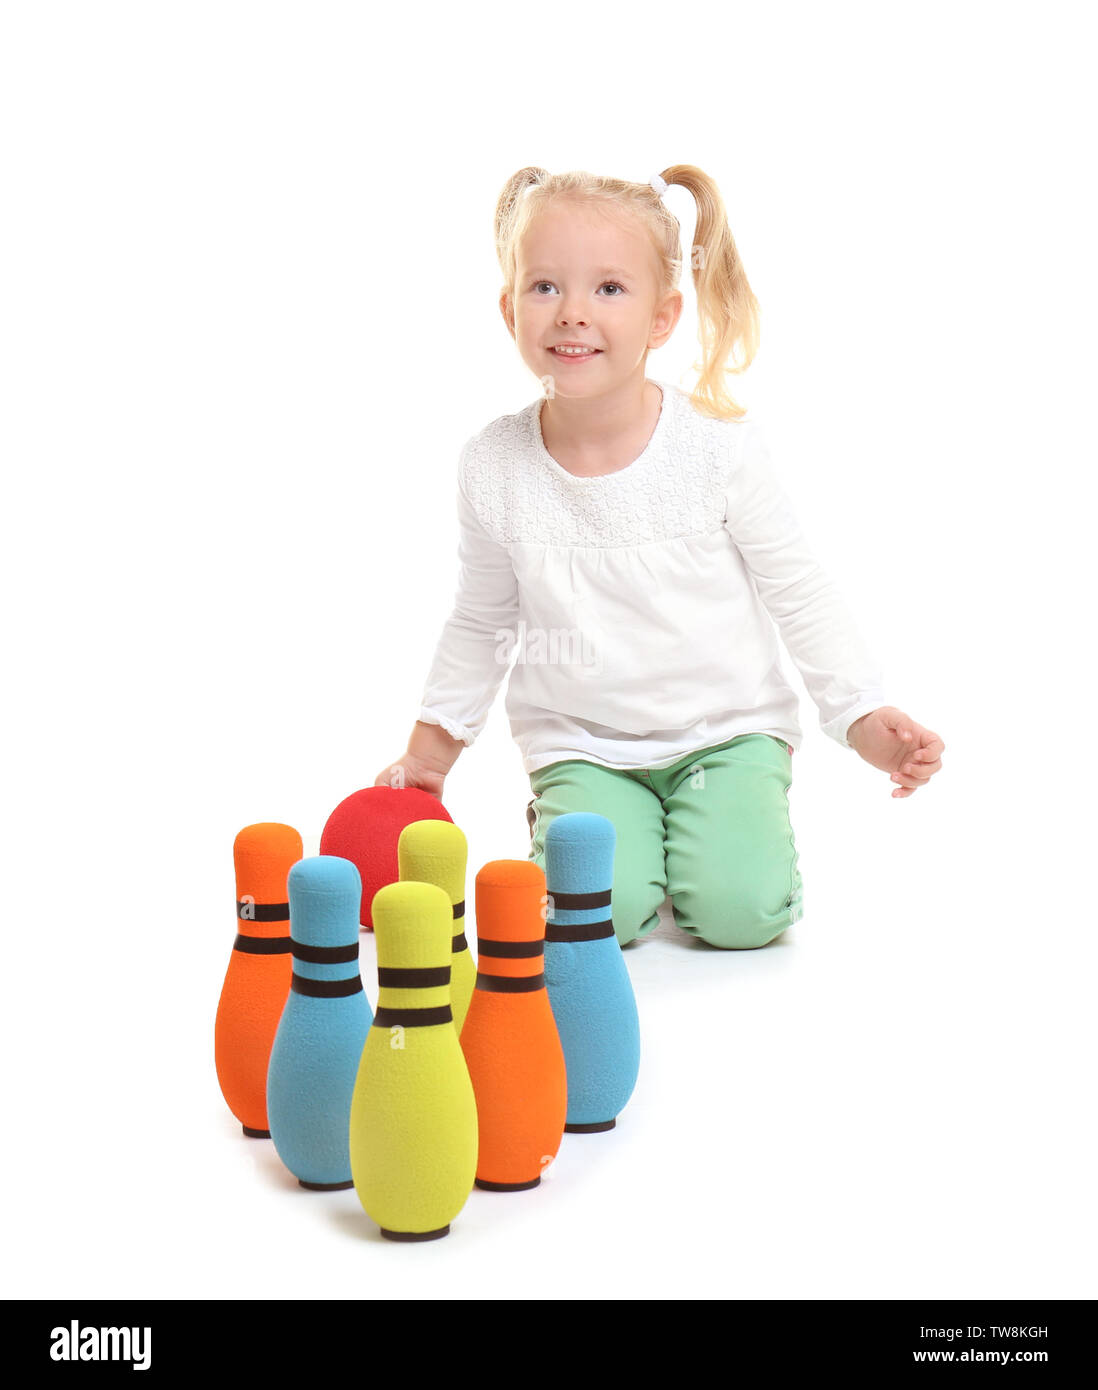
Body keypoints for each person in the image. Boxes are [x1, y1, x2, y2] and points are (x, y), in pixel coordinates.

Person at [375, 164, 945, 950]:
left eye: (609, 289)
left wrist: (860, 714)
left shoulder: (716, 451)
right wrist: (431, 749)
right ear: (510, 310)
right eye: (545, 287)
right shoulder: (494, 465)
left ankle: (722, 843)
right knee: (594, 921)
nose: (573, 313)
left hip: (725, 731)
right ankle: (600, 828)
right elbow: (482, 618)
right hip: (582, 742)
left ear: (662, 317)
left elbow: (799, 590)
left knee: (740, 916)